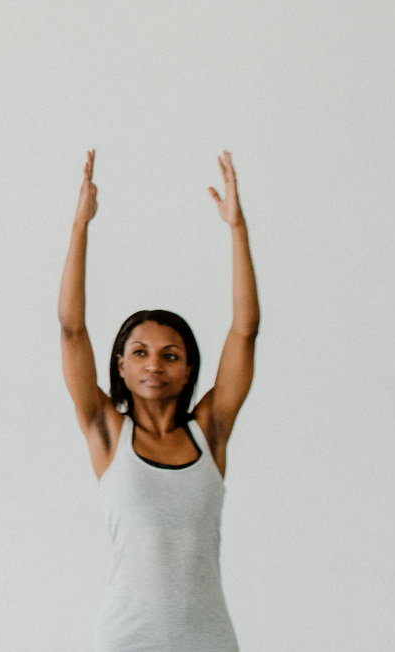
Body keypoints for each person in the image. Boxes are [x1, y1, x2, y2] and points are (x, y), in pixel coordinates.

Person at [58, 150, 259, 652]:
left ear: (190, 367)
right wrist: (80, 225)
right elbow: (70, 328)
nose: (154, 364)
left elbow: (245, 330)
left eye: (171, 355)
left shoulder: (210, 430)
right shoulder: (106, 431)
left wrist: (237, 228)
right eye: (140, 353)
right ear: (120, 365)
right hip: (128, 639)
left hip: (209, 639)